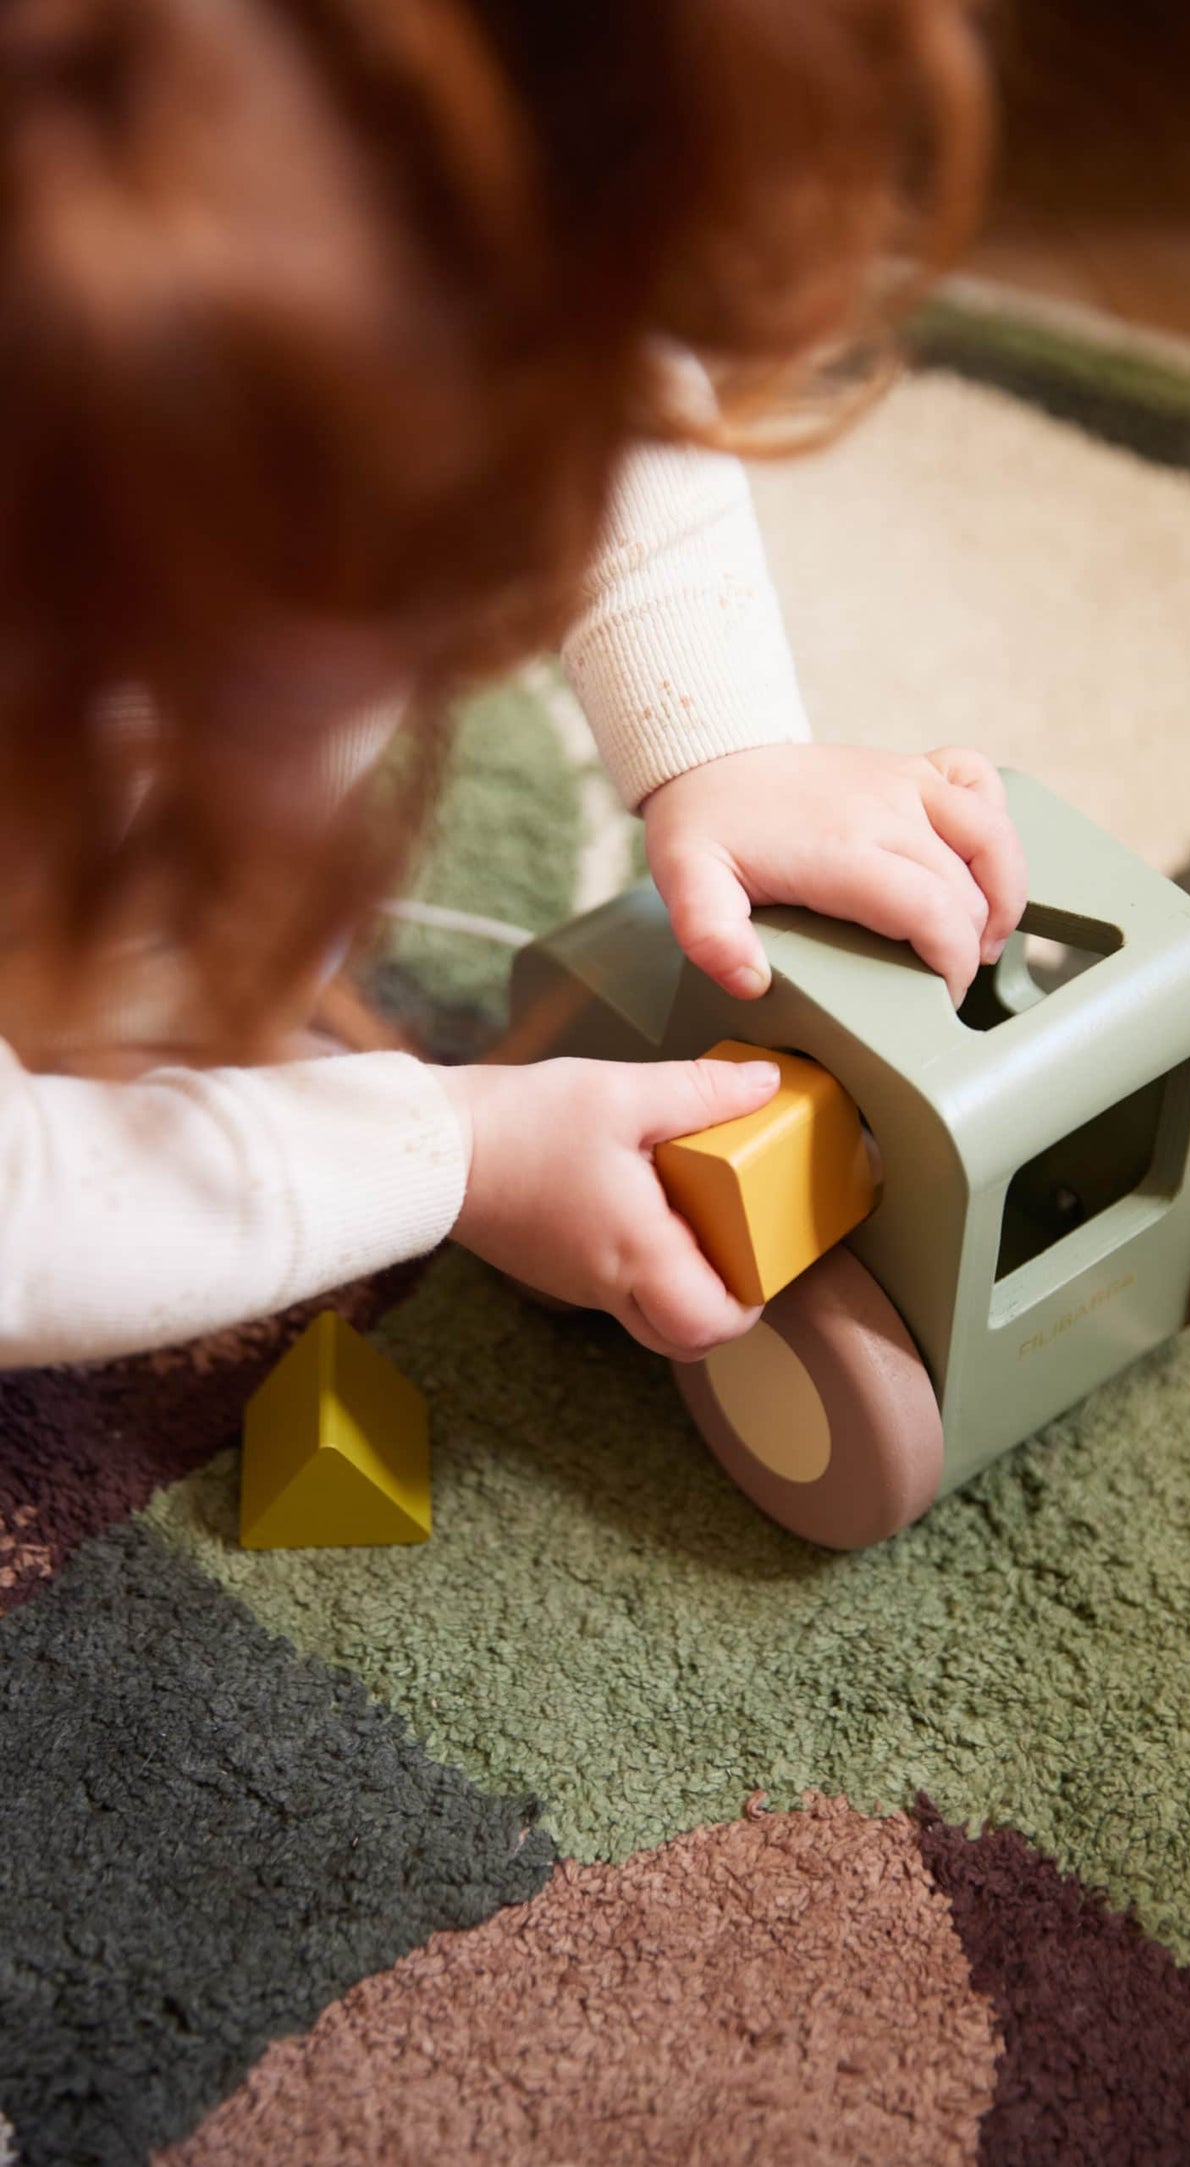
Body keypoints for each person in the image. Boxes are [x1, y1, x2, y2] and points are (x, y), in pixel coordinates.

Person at [0, 0, 1026, 1369]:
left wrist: (721, 742)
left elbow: (581, 402)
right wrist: (450, 1149)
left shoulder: (420, 205)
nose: (489, 623)